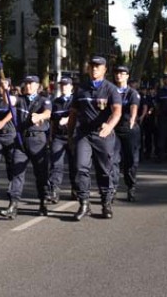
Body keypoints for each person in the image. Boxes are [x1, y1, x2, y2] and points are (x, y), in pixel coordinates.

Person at [68, 56, 122, 220]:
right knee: (80, 167)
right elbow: (73, 113)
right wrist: (70, 135)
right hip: (83, 134)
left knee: (104, 170)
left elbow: (117, 111)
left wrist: (109, 125)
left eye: (98, 66)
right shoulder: (81, 89)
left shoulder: (111, 89)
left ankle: (106, 203)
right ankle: (84, 203)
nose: (94, 69)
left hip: (103, 134)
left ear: (105, 69)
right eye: (92, 66)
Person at [0, 75, 51, 219]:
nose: (28, 86)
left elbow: (48, 112)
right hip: (21, 141)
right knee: (16, 173)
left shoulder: (43, 99)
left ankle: (43, 203)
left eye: (31, 83)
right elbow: (8, 101)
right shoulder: (20, 99)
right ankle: (13, 205)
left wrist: (39, 116)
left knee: (41, 174)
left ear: (37, 85)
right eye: (26, 83)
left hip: (37, 140)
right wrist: (5, 90)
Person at [112, 66, 141, 202]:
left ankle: (131, 186)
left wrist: (132, 120)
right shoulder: (111, 91)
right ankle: (112, 188)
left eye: (122, 73)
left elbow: (134, 107)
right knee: (113, 159)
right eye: (117, 73)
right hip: (114, 129)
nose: (119, 76)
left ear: (127, 76)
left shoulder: (132, 93)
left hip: (129, 128)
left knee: (131, 160)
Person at [47, 77, 76, 203]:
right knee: (56, 164)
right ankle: (54, 191)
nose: (63, 87)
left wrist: (69, 119)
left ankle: (76, 189)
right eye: (62, 85)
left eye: (66, 85)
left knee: (74, 164)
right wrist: (50, 136)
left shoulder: (76, 100)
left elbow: (80, 115)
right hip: (58, 137)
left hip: (73, 137)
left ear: (71, 87)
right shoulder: (56, 102)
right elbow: (53, 121)